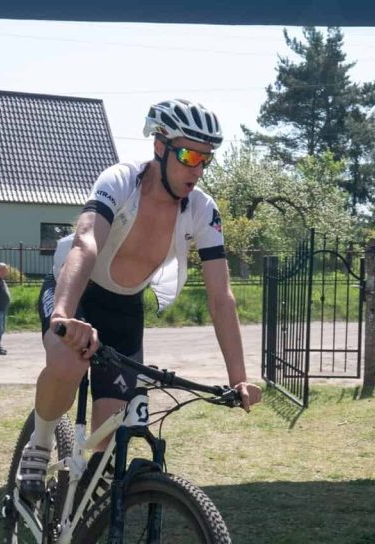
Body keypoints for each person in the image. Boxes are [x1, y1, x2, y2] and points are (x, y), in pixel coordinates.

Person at [15, 97, 262, 511]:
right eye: (189, 156)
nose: (198, 170)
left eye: (206, 160)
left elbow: (221, 296)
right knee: (68, 364)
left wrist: (238, 378)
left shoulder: (202, 210)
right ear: (160, 147)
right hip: (76, 291)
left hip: (125, 310)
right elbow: (86, 243)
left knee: (111, 434)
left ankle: (82, 532)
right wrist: (64, 315)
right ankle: (39, 443)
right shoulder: (121, 180)